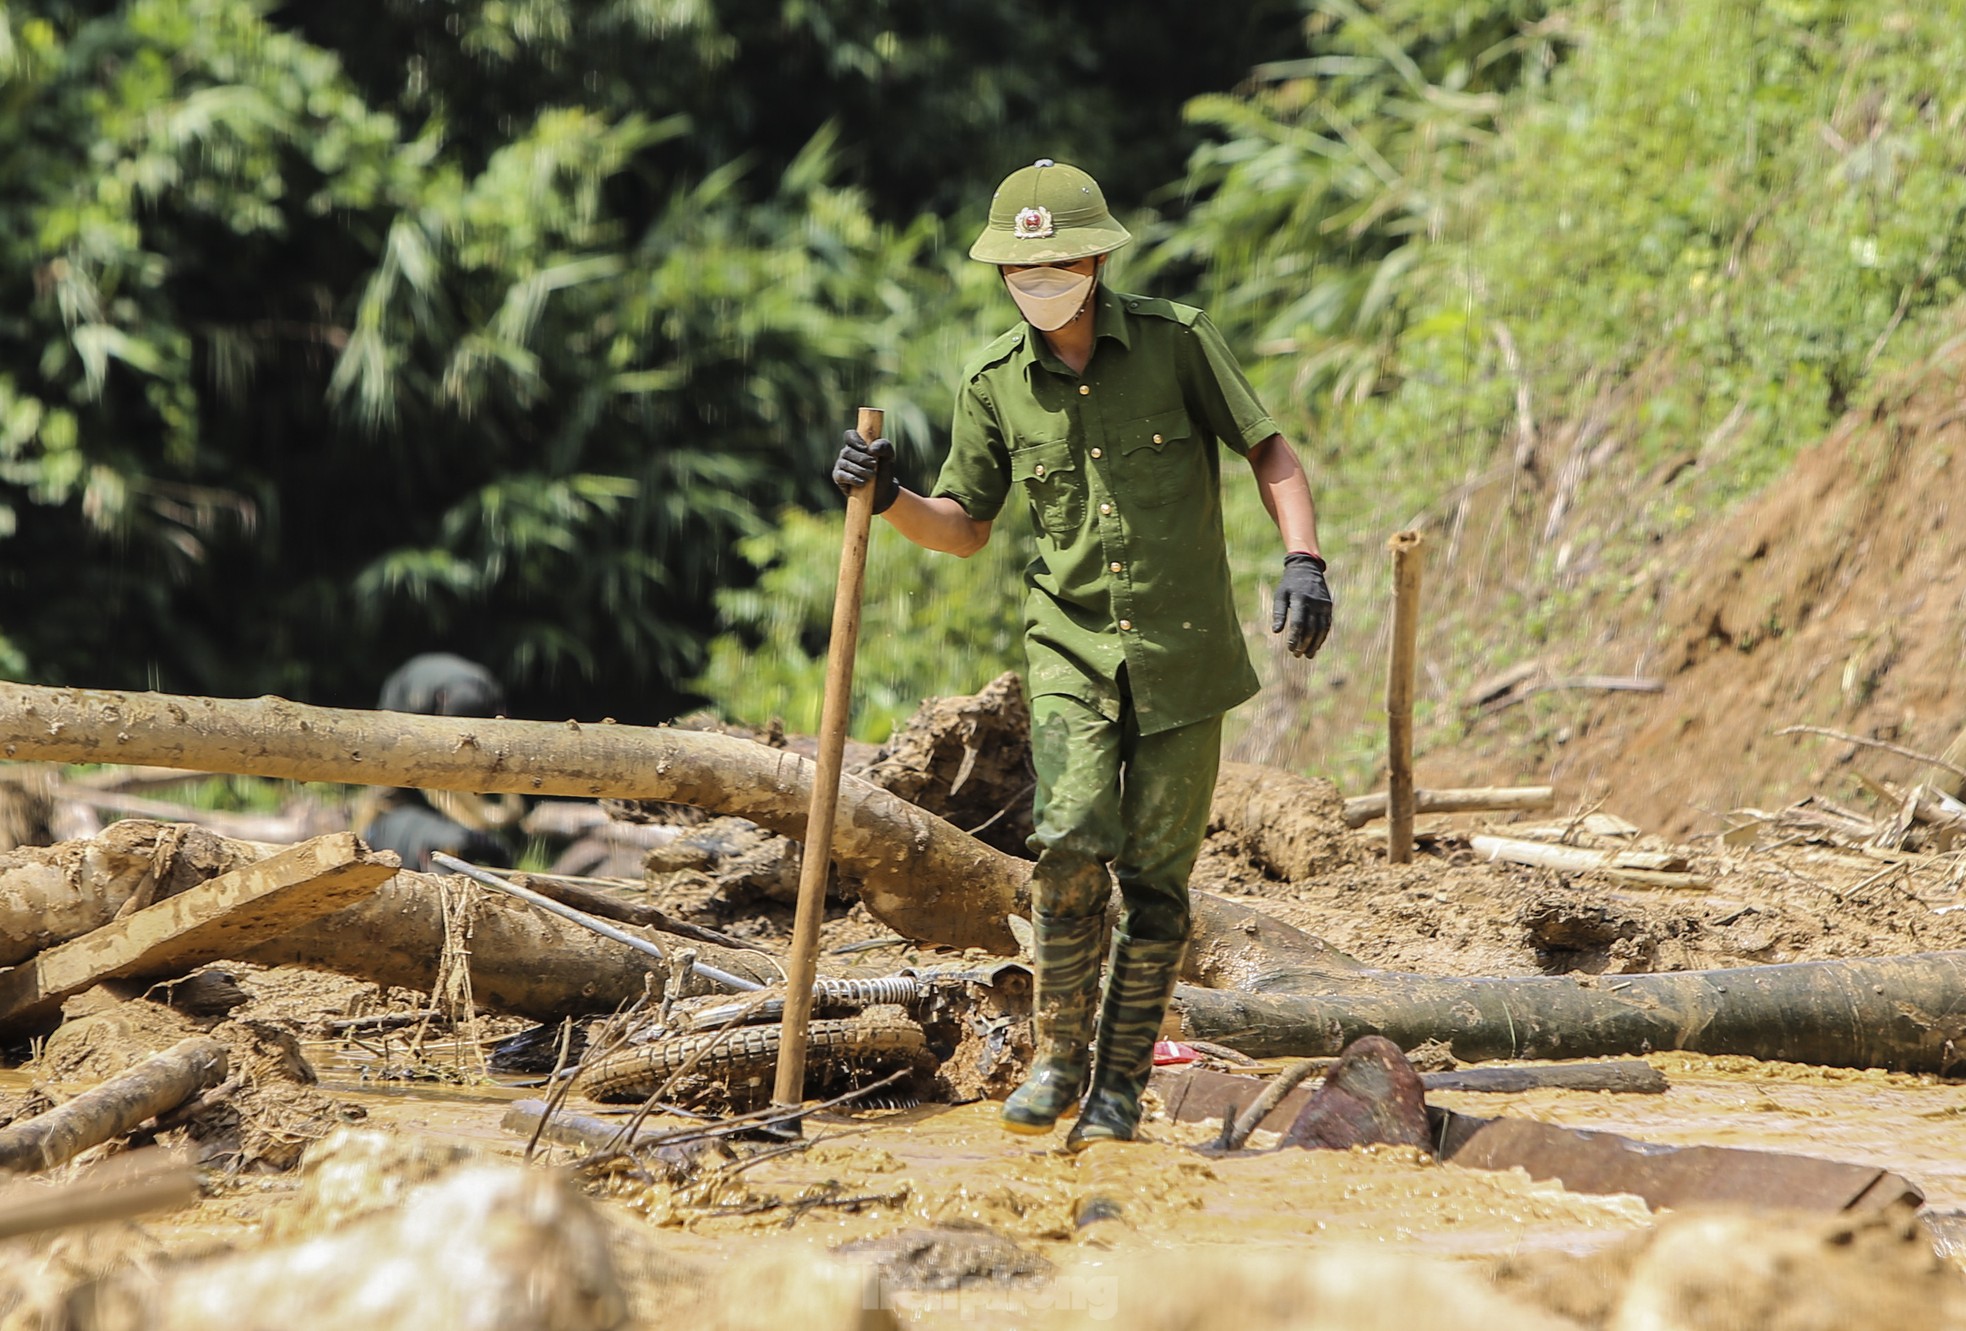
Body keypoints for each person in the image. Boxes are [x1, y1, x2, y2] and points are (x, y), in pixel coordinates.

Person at [833, 159, 1333, 1149]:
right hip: (1069, 649)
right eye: (1020, 266)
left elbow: (1267, 448)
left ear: (1095, 258)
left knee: (1156, 882)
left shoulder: (1177, 345)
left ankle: (1118, 1078)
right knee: (1066, 846)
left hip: (1183, 654)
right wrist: (887, 495)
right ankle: (1059, 1052)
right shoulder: (993, 384)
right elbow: (963, 525)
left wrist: (1304, 557)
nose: (1038, 279)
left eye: (1055, 260)